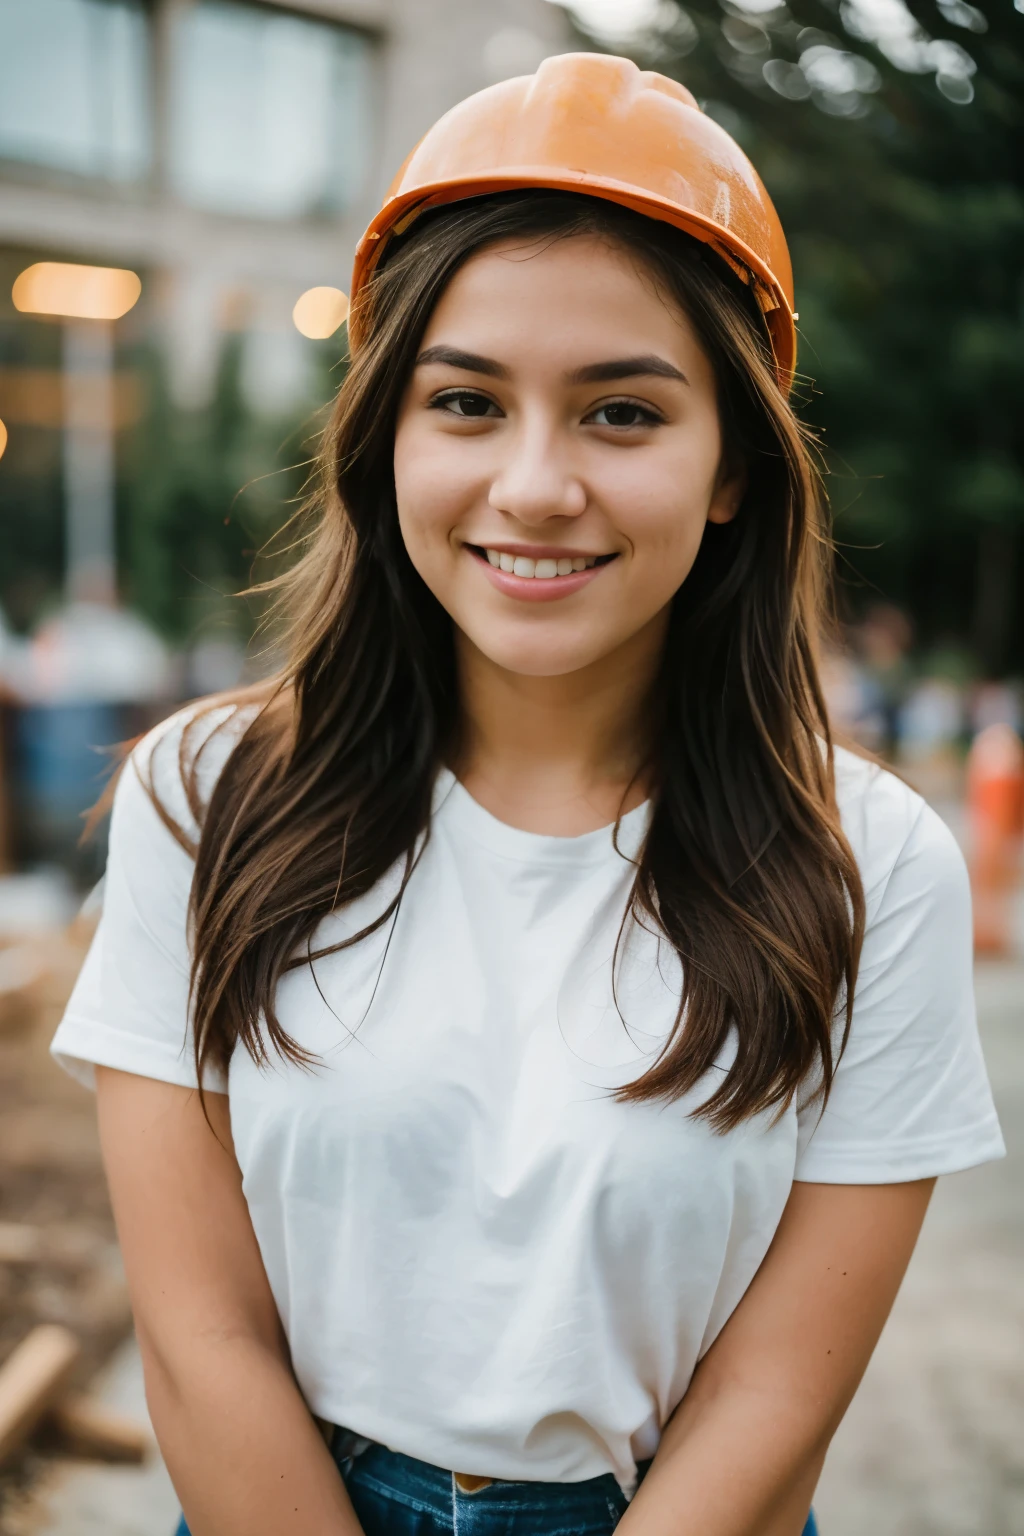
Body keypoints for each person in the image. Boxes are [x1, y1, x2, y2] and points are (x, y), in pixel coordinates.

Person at [51, 53, 1003, 1536]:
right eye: (469, 403)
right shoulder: (207, 799)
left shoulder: (873, 864)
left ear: (733, 463)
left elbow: (776, 1402)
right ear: (390, 438)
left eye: (622, 413)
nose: (537, 484)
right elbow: (201, 1340)